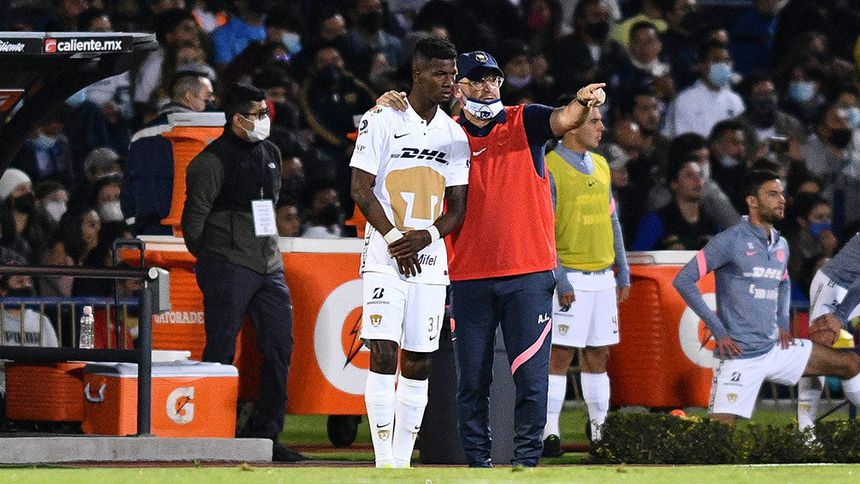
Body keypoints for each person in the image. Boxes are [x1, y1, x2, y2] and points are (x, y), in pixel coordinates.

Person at [379, 50, 605, 467]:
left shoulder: (525, 121)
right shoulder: (443, 133)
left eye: (494, 79)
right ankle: (478, 468)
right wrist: (386, 106)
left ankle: (527, 465)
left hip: (529, 275)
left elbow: (564, 118)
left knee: (532, 382)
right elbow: (394, 135)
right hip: (469, 277)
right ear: (458, 87)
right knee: (471, 384)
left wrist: (582, 101)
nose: (488, 87)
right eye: (478, 79)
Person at [350, 37, 469, 469]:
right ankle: (384, 462)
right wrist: (394, 238)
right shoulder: (381, 118)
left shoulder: (454, 134)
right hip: (385, 255)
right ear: (417, 75)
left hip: (429, 260)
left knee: (419, 361)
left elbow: (457, 209)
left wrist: (425, 238)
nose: (449, 82)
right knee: (383, 352)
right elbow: (360, 188)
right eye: (440, 74)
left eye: (452, 74)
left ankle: (401, 463)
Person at [673, 170, 860, 424]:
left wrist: (783, 323)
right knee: (717, 438)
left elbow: (784, 282)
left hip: (775, 348)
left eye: (781, 194)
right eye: (772, 194)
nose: (781, 200)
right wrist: (718, 330)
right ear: (752, 201)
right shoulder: (729, 241)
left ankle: (807, 435)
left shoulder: (780, 244)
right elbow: (683, 280)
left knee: (851, 363)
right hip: (740, 356)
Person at [180, 84, 304, 462]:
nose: (265, 119)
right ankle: (213, 432)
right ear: (237, 119)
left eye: (265, 112)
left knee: (280, 348)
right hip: (228, 263)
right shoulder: (209, 162)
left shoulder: (271, 153)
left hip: (269, 265)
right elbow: (193, 224)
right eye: (258, 113)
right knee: (220, 349)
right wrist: (215, 260)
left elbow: (271, 203)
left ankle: (267, 436)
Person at [542, 107, 630, 457]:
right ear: (571, 127)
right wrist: (560, 278)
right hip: (572, 276)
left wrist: (622, 268)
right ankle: (549, 433)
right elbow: (543, 229)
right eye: (593, 121)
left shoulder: (602, 165)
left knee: (598, 355)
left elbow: (613, 221)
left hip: (602, 277)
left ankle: (599, 431)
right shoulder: (550, 167)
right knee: (560, 355)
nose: (601, 127)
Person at [122, 72, 215, 235]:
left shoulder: (139, 136)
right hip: (189, 232)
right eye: (207, 96)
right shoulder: (202, 134)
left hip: (149, 233)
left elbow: (128, 191)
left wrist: (136, 227)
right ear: (189, 97)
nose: (212, 101)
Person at [797, 232, 860, 433]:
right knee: (820, 348)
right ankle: (805, 429)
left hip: (855, 291)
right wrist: (839, 316)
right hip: (834, 285)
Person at [632, 157, 719, 251]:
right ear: (674, 184)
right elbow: (639, 256)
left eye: (700, 175)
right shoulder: (656, 221)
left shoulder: (712, 224)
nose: (698, 180)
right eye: (689, 175)